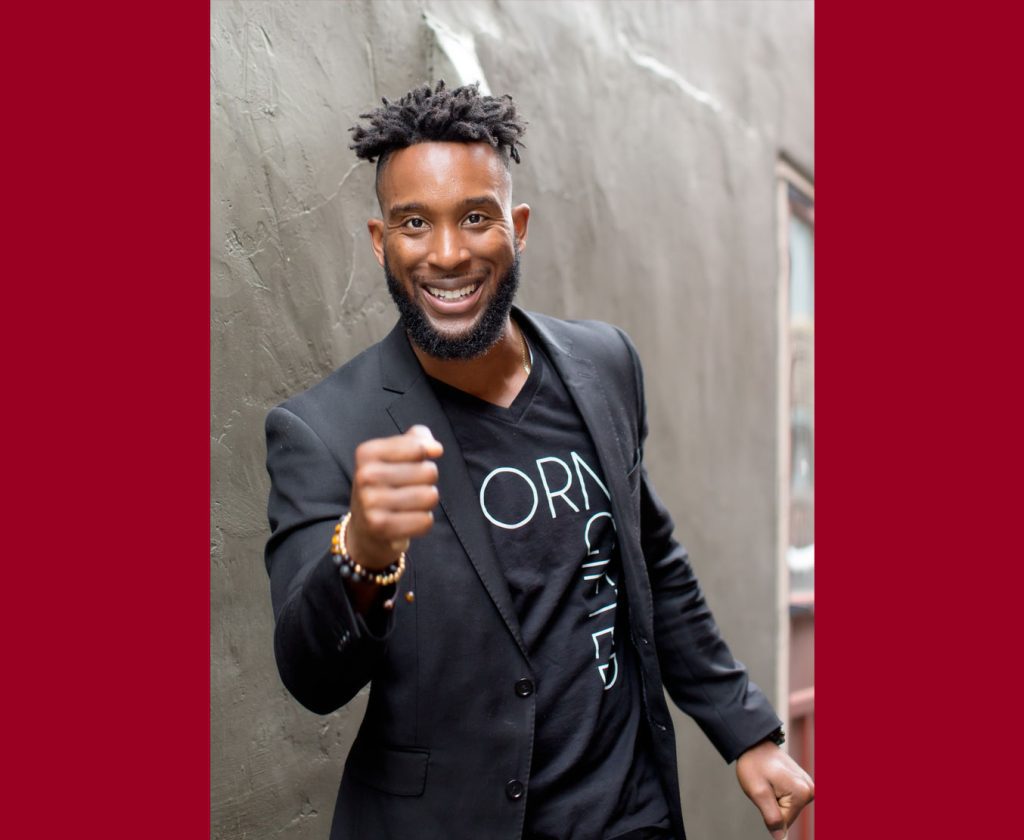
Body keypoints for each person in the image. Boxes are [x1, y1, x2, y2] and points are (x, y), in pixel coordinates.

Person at [265, 80, 813, 840]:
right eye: (415, 223)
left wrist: (745, 728)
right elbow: (311, 677)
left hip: (633, 818)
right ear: (380, 241)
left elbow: (652, 560)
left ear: (517, 228)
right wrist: (360, 554)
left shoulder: (604, 364)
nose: (448, 252)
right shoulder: (324, 429)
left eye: (477, 217)